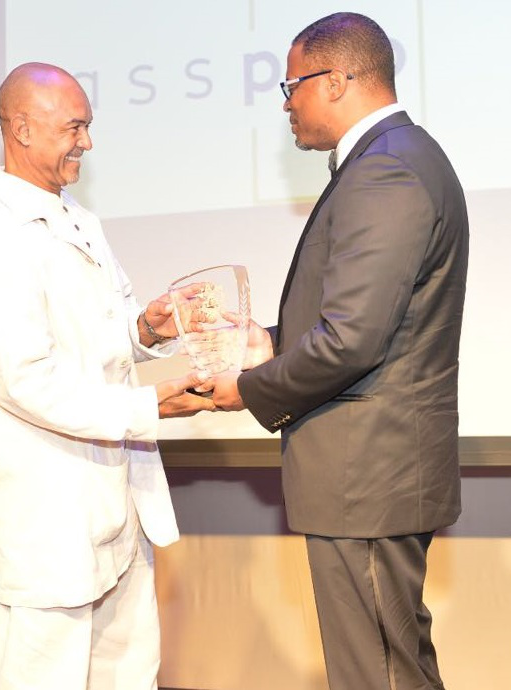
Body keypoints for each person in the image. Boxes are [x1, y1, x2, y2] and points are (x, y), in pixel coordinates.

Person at [210, 12, 468, 690]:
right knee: (396, 668)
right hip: (371, 478)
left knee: (375, 675)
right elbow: (371, 319)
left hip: (367, 481)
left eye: (292, 83)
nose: (287, 102)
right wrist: (267, 339)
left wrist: (250, 386)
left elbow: (352, 338)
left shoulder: (389, 171)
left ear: (339, 79)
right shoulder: (392, 162)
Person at [0, 62, 214, 690]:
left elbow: (97, 333)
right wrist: (148, 409)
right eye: (75, 127)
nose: (87, 142)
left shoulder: (78, 222)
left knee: (128, 675)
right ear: (22, 129)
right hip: (48, 520)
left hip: (115, 510)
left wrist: (145, 328)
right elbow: (27, 380)